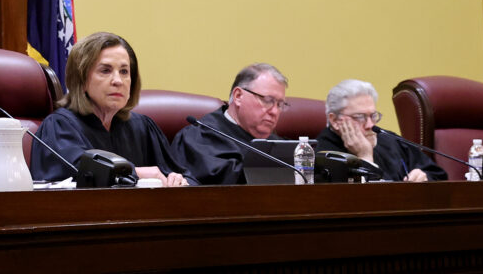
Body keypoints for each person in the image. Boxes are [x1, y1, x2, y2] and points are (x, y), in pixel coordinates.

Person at [32, 32, 191, 186]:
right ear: (81, 80)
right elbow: (80, 175)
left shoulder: (142, 127)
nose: (118, 81)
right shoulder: (59, 127)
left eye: (124, 71)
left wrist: (177, 180)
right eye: (105, 70)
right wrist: (137, 173)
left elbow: (179, 174)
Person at [169, 62, 288, 185]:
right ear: (238, 96)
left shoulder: (279, 145)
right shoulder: (198, 137)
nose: (275, 111)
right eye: (268, 101)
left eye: (280, 105)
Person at [315, 79, 446, 182]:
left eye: (372, 116)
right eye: (360, 117)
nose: (370, 125)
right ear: (335, 120)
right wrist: (365, 157)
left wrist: (425, 178)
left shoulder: (388, 139)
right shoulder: (323, 154)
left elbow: (439, 176)